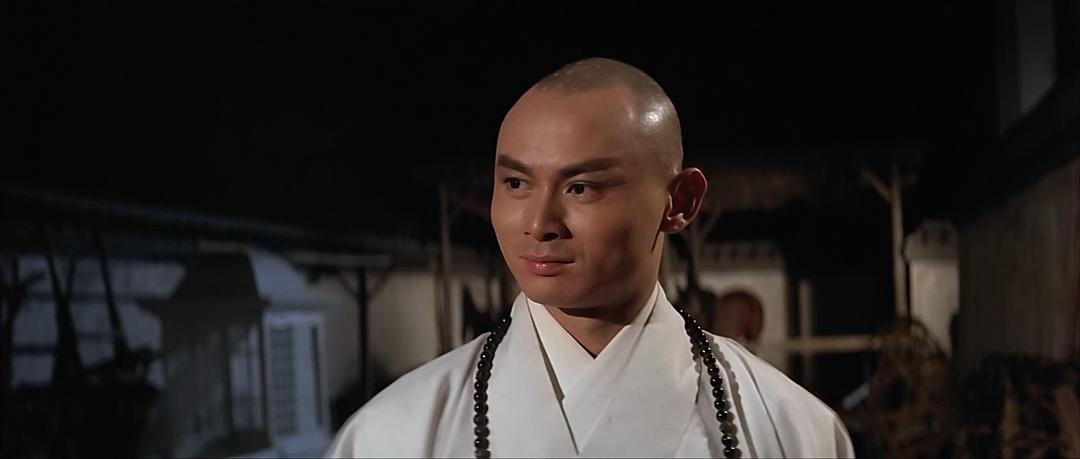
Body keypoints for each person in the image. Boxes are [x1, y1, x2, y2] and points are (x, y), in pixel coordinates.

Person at [326, 57, 854, 458]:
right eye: (515, 183)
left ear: (680, 202)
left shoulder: (792, 429)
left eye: (580, 187)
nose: (539, 222)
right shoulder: (393, 434)